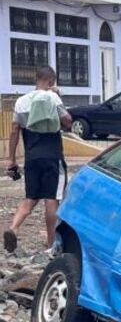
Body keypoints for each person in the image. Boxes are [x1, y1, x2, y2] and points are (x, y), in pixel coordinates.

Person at [4, 66, 72, 253]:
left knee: (30, 198)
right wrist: (59, 101)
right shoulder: (52, 97)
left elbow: (14, 131)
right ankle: (51, 244)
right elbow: (68, 121)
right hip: (52, 157)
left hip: (32, 158)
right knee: (51, 199)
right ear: (50, 81)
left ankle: (13, 228)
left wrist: (11, 160)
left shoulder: (21, 102)